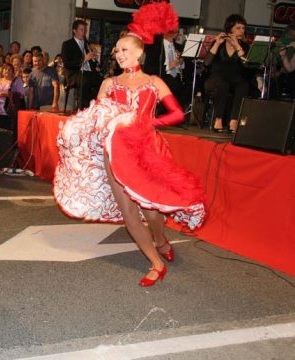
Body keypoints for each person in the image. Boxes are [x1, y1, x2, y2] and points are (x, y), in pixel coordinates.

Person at [54, 2, 205, 287]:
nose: (118, 54)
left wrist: (148, 123)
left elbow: (176, 114)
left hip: (148, 151)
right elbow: (96, 117)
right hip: (116, 153)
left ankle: (160, 239)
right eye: (117, 51)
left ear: (138, 51)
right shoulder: (109, 84)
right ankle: (155, 263)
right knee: (128, 212)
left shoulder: (154, 82)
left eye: (124, 50)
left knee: (152, 211)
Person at [203, 14, 250, 133]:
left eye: (243, 28)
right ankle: (218, 118)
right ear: (230, 29)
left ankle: (234, 120)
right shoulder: (220, 43)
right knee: (223, 85)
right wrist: (217, 43)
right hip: (217, 78)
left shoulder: (244, 46)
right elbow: (207, 63)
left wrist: (238, 47)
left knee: (243, 85)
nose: (241, 31)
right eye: (238, 28)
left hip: (236, 79)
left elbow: (247, 65)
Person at [61, 19, 103, 110]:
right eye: (81, 30)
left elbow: (91, 61)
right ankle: (83, 107)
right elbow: (67, 64)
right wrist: (84, 59)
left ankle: (92, 105)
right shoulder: (67, 44)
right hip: (74, 73)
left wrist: (96, 65)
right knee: (85, 79)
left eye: (85, 30)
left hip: (88, 72)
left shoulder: (87, 44)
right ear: (74, 30)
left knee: (102, 81)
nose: (84, 32)